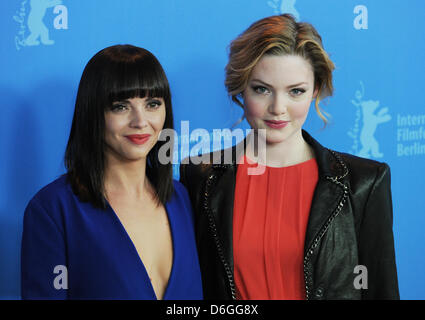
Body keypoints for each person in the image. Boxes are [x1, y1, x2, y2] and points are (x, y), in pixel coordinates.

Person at [180, 14, 399, 300]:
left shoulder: (363, 182)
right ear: (240, 89)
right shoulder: (201, 176)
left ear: (315, 91)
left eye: (296, 91)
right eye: (262, 89)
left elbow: (379, 289)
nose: (278, 108)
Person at [21, 45, 203, 300]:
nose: (140, 121)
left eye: (152, 104)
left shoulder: (182, 198)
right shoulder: (52, 210)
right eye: (121, 106)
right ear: (93, 113)